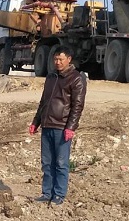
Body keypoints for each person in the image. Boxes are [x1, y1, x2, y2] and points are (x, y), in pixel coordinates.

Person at [29, 45, 86, 205]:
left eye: (61, 59)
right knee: (47, 162)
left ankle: (59, 194)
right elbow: (43, 102)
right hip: (47, 125)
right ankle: (46, 193)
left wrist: (71, 127)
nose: (58, 62)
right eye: (55, 59)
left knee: (61, 163)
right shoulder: (51, 77)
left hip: (62, 127)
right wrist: (36, 122)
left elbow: (77, 106)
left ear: (69, 59)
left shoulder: (76, 78)